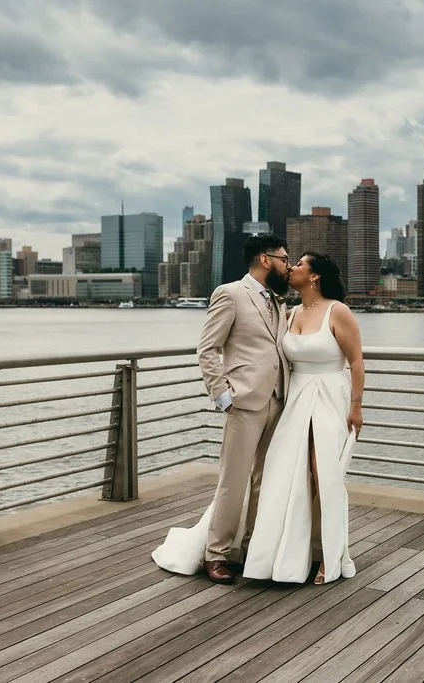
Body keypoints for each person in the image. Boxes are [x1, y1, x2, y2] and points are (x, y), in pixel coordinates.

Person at [151, 234, 291, 584]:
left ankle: (251, 547)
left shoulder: (279, 300)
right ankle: (217, 553)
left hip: (278, 399)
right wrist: (223, 396)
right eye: (283, 259)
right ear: (264, 259)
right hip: (244, 402)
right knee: (233, 481)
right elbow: (207, 349)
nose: (287, 266)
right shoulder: (230, 294)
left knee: (264, 481)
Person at [241, 252, 364, 584]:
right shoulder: (290, 312)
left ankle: (331, 556)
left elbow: (356, 363)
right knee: (289, 476)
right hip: (295, 400)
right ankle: (288, 553)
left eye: (299, 264)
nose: (291, 267)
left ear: (315, 277)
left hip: (330, 399)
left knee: (324, 474)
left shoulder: (338, 311)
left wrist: (356, 406)